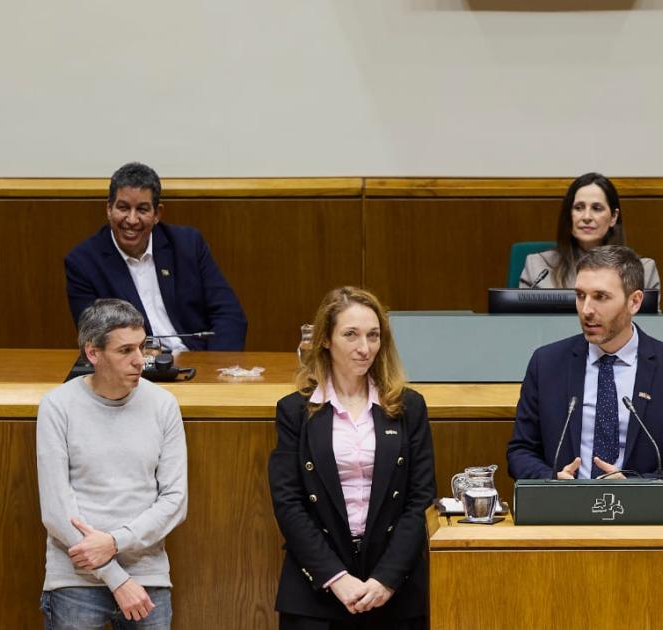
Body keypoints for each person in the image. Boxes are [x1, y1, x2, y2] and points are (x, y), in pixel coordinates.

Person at [269, 287, 435, 629]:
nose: (365, 347)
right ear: (325, 340)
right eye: (351, 335)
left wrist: (386, 578)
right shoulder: (295, 411)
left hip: (393, 588)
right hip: (317, 588)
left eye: (373, 335)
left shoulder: (409, 406)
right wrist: (336, 577)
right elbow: (288, 502)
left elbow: (420, 499)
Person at [36, 298, 188, 628]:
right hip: (75, 579)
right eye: (125, 351)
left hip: (146, 574)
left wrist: (115, 542)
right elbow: (56, 512)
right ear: (93, 353)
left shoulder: (163, 405)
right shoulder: (57, 406)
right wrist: (115, 577)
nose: (140, 360)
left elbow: (175, 502)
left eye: (142, 347)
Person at [507, 245, 663, 485]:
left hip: (643, 507)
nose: (586, 310)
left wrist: (635, 486)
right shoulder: (547, 364)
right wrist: (552, 480)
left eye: (601, 297)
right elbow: (520, 452)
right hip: (565, 504)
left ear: (634, 302)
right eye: (580, 295)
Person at [65, 161, 248, 351]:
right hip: (135, 365)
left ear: (157, 214)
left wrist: (215, 365)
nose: (132, 220)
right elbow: (95, 337)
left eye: (142, 209)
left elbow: (229, 315)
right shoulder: (83, 262)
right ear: (109, 209)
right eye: (123, 208)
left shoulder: (188, 245)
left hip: (196, 358)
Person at [518, 172, 661, 291]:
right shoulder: (537, 267)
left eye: (596, 208)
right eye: (579, 208)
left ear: (613, 217)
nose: (587, 217)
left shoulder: (644, 271)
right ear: (569, 215)